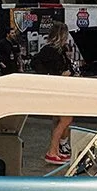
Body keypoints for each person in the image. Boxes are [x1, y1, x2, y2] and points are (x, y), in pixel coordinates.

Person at [32, 22, 74, 164]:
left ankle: (55, 150)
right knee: (65, 120)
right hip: (58, 90)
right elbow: (35, 63)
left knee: (61, 121)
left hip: (61, 89)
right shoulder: (50, 50)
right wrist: (54, 76)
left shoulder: (59, 50)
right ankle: (52, 151)